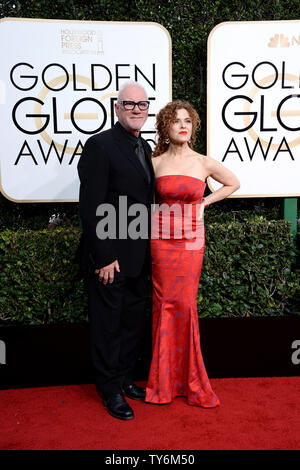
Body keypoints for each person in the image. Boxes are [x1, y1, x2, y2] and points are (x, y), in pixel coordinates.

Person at [145, 101, 240, 407]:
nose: (183, 125)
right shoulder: (155, 162)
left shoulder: (203, 162)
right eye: (176, 121)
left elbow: (233, 183)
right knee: (163, 306)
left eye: (188, 121)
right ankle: (162, 384)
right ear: (165, 128)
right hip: (160, 240)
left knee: (185, 305)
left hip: (190, 244)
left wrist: (205, 203)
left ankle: (192, 383)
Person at [77, 81, 155, 420]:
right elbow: (91, 204)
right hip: (111, 256)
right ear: (117, 108)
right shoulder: (100, 145)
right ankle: (109, 390)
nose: (136, 109)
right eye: (129, 104)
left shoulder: (147, 148)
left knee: (131, 323)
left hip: (140, 256)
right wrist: (104, 255)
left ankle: (124, 380)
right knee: (108, 325)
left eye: (142, 104)